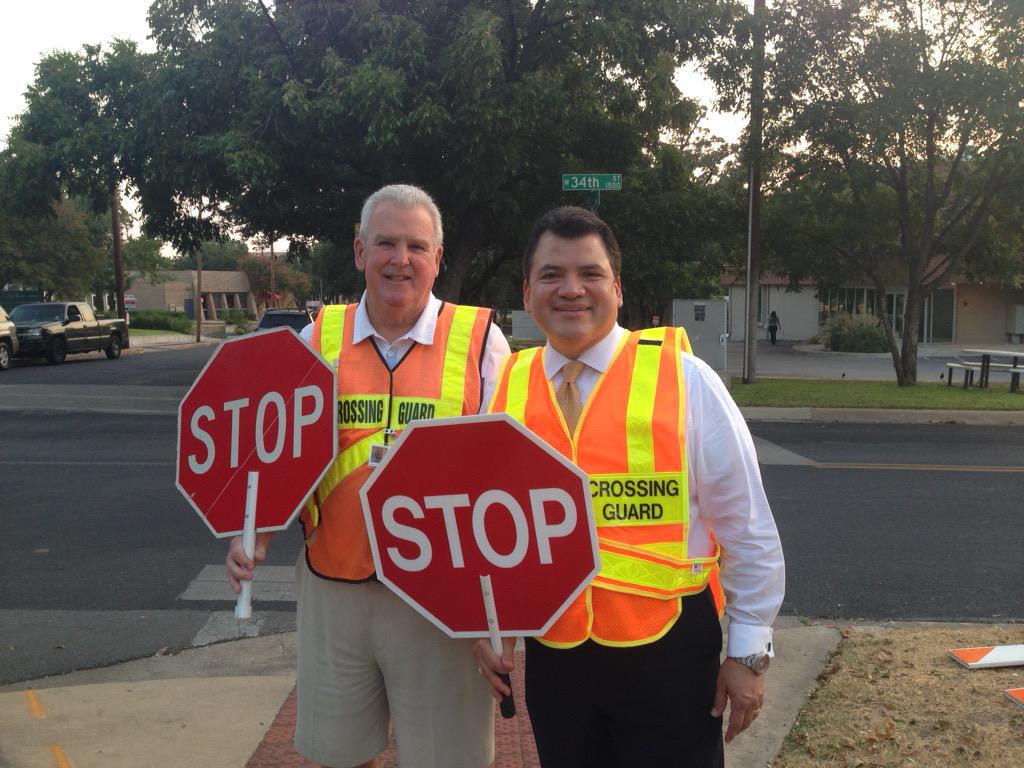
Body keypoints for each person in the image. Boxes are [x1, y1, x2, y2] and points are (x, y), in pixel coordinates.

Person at [475, 207, 784, 767]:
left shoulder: (684, 378)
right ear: (527, 291)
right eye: (551, 275)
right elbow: (485, 527)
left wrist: (747, 653)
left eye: (589, 274)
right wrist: (483, 626)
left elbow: (748, 528)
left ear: (617, 288)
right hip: (556, 657)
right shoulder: (504, 388)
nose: (571, 289)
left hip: (667, 654)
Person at [227, 184, 511, 768]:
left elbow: (505, 478)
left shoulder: (482, 343)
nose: (399, 259)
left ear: (438, 259)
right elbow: (281, 459)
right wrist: (253, 534)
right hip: (336, 587)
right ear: (359, 251)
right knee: (338, 756)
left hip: (442, 603)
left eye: (415, 245)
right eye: (385, 242)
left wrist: (494, 613)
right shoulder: (318, 338)